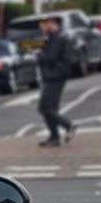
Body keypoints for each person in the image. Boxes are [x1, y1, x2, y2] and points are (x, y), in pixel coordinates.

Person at [35, 16, 77, 147]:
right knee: (50, 108)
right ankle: (54, 138)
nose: (44, 26)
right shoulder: (53, 38)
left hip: (55, 76)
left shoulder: (57, 39)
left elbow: (50, 58)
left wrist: (38, 54)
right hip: (54, 76)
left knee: (44, 107)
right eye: (44, 24)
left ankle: (68, 125)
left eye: (48, 23)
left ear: (55, 25)